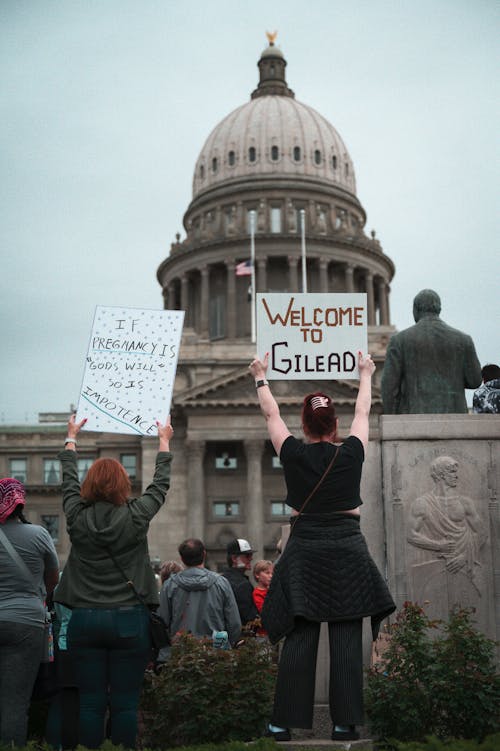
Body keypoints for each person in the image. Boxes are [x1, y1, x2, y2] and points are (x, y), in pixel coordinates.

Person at [249, 351, 396, 742]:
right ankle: (345, 723)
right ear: (335, 425)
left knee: (300, 635)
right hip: (347, 548)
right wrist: (366, 373)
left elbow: (270, 416)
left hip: (306, 550)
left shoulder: (293, 453)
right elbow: (363, 412)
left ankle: (282, 723)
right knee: (347, 636)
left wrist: (261, 376)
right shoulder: (351, 453)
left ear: (305, 424)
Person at [54, 413, 173, 749]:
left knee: (90, 703)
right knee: (125, 703)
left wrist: (72, 438)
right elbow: (160, 485)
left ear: (88, 486)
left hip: (85, 619)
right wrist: (164, 440)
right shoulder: (136, 515)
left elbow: (66, 479)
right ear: (124, 485)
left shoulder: (76, 515)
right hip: (128, 619)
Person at [0, 477, 59, 747]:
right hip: (26, 622)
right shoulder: (39, 534)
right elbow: (53, 578)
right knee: (15, 699)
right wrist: (40, 598)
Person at [381, 289, 482, 414]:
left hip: (413, 419)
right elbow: (475, 381)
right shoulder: (464, 340)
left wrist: (391, 418)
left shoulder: (399, 340)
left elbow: (389, 387)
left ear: (415, 310)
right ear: (439, 310)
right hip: (455, 419)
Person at [158, 538, 241, 652]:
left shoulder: (169, 586)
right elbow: (234, 624)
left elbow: (162, 623)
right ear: (204, 554)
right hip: (215, 651)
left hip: (181, 651)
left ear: (182, 558)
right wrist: (223, 646)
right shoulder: (221, 583)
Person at [222, 538, 259, 626]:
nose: (251, 558)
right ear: (234, 558)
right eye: (247, 556)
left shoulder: (221, 579)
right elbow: (250, 618)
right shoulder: (243, 584)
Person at [252, 560, 274, 638]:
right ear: (257, 575)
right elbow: (264, 611)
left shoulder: (271, 591)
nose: (271, 576)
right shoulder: (257, 593)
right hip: (262, 634)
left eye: (272, 573)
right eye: (267, 573)